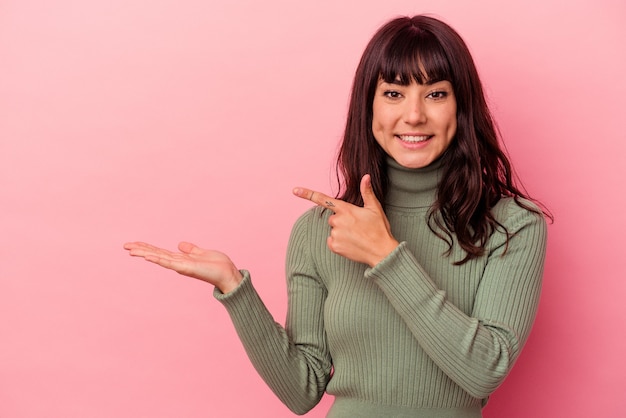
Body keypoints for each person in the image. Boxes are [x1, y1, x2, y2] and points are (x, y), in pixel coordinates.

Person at [124, 15, 549, 417]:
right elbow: (301, 390)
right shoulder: (318, 231)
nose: (414, 115)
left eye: (436, 93)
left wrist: (386, 256)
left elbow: (483, 372)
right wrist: (234, 289)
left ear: (461, 106)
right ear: (368, 107)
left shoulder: (511, 225)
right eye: (393, 93)